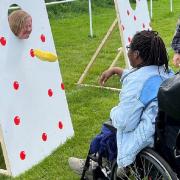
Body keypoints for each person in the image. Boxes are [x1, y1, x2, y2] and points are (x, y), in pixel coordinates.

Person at [68, 30, 174, 178]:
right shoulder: (165, 72)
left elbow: (125, 122)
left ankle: (97, 168)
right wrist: (117, 70)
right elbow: (144, 78)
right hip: (166, 132)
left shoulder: (137, 82)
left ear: (136, 54)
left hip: (147, 136)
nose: (128, 51)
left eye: (129, 48)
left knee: (109, 128)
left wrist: (113, 111)